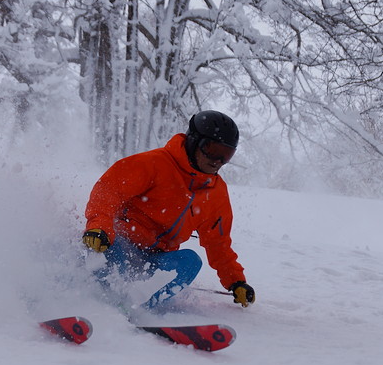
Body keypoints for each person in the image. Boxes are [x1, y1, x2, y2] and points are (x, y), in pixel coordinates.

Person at [82, 110, 255, 310]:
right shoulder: (155, 164)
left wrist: (236, 281)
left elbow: (218, 243)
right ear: (193, 142)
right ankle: (99, 303)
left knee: (190, 261)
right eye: (212, 149)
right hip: (120, 242)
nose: (218, 160)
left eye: (226, 155)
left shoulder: (216, 193)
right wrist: (98, 227)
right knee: (119, 256)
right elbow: (108, 192)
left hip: (156, 257)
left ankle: (141, 310)